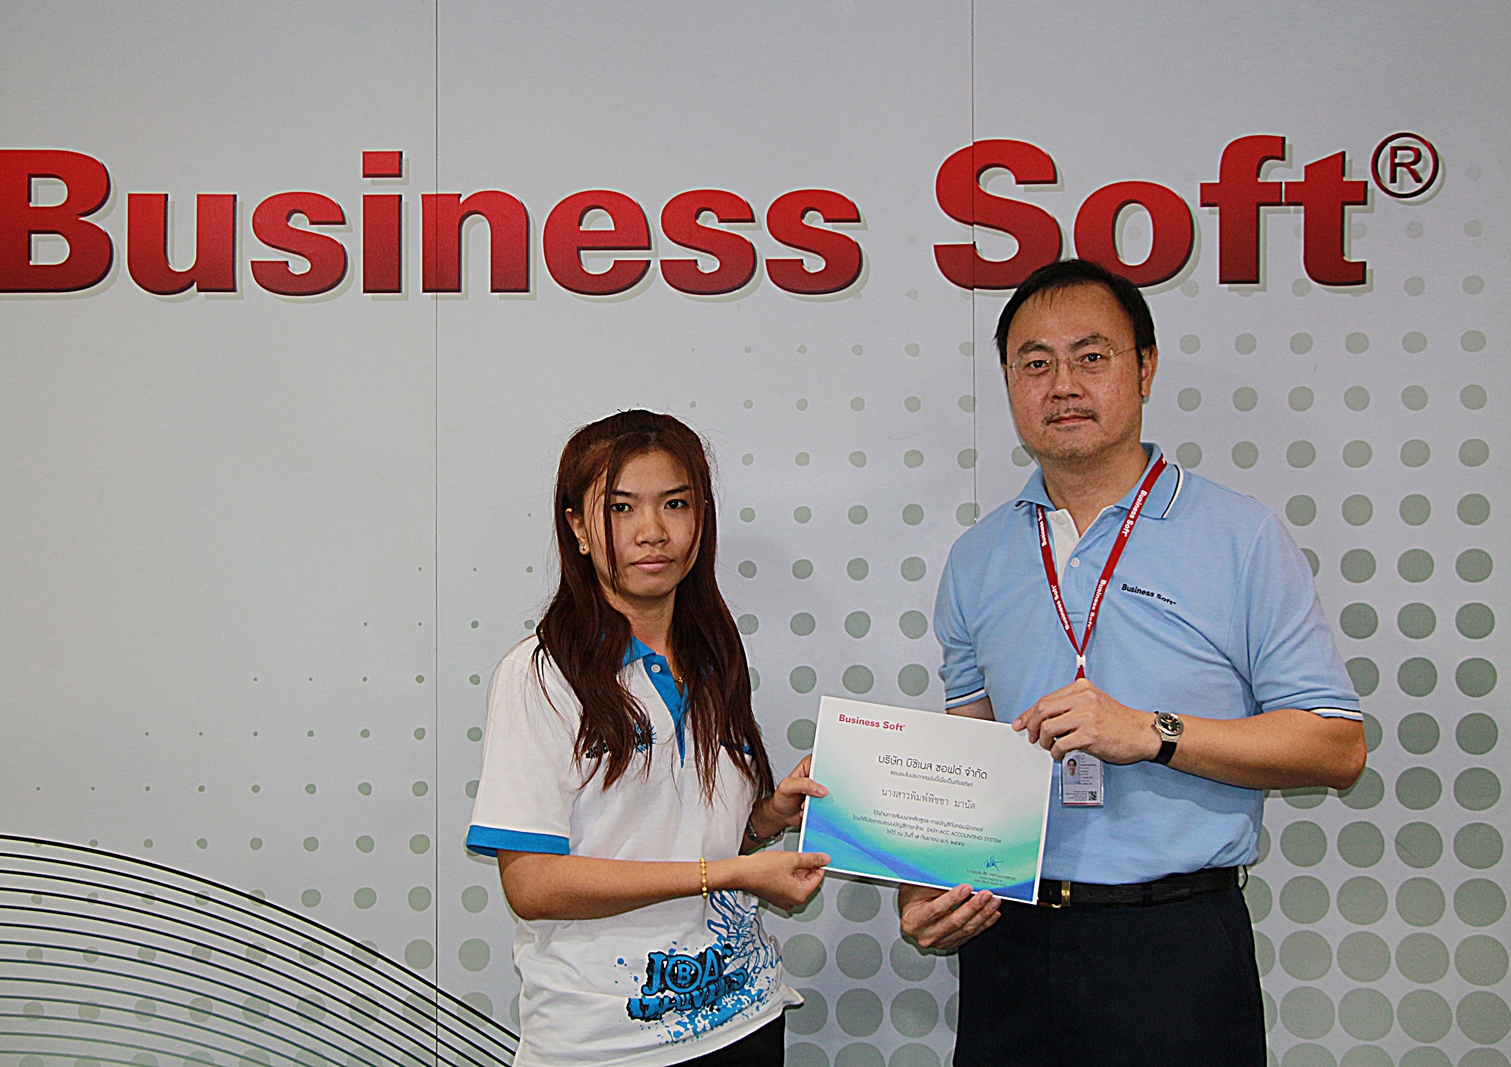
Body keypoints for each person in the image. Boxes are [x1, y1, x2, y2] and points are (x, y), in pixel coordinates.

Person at [898, 260, 1367, 1067]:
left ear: (1144, 368)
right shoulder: (978, 556)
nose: (1063, 385)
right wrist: (925, 886)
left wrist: (1152, 732)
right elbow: (967, 759)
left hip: (1173, 943)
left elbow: (1336, 745)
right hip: (1008, 939)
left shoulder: (1239, 534)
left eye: (1091, 356)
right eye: (1035, 363)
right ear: (1009, 382)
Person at [466, 410, 830, 1067]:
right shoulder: (540, 675)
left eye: (675, 504)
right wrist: (731, 873)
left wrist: (768, 819)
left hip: (745, 1016)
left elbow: (693, 835)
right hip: (607, 1043)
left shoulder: (714, 656)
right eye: (621, 507)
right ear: (577, 528)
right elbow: (533, 883)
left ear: (701, 519)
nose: (653, 531)